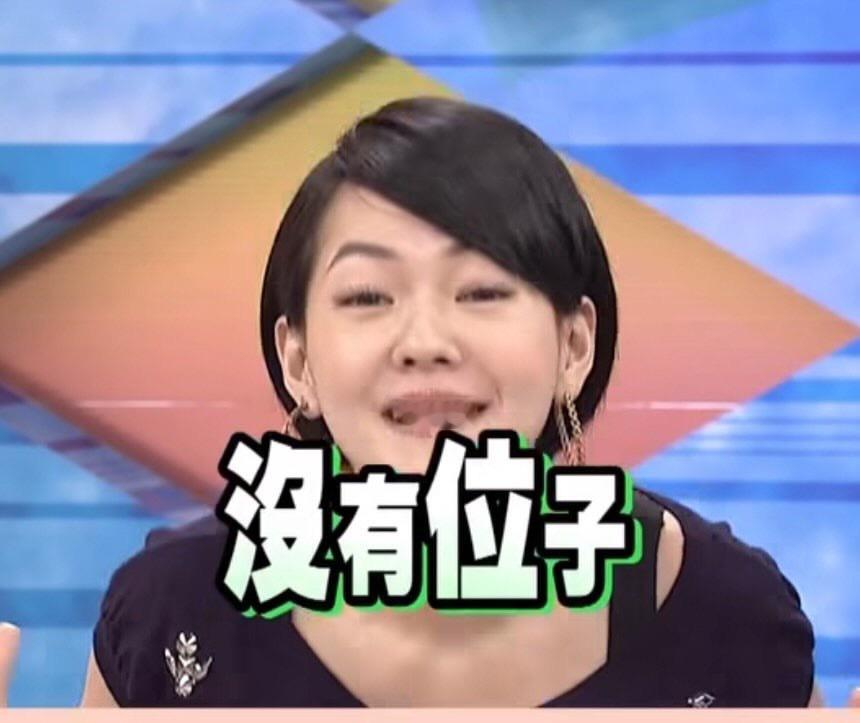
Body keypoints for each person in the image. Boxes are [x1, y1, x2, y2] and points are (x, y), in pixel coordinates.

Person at [0, 96, 848, 708]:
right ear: (297, 359)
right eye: (368, 297)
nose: (425, 340)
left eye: (482, 291)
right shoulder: (175, 616)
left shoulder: (722, 614)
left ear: (574, 346)